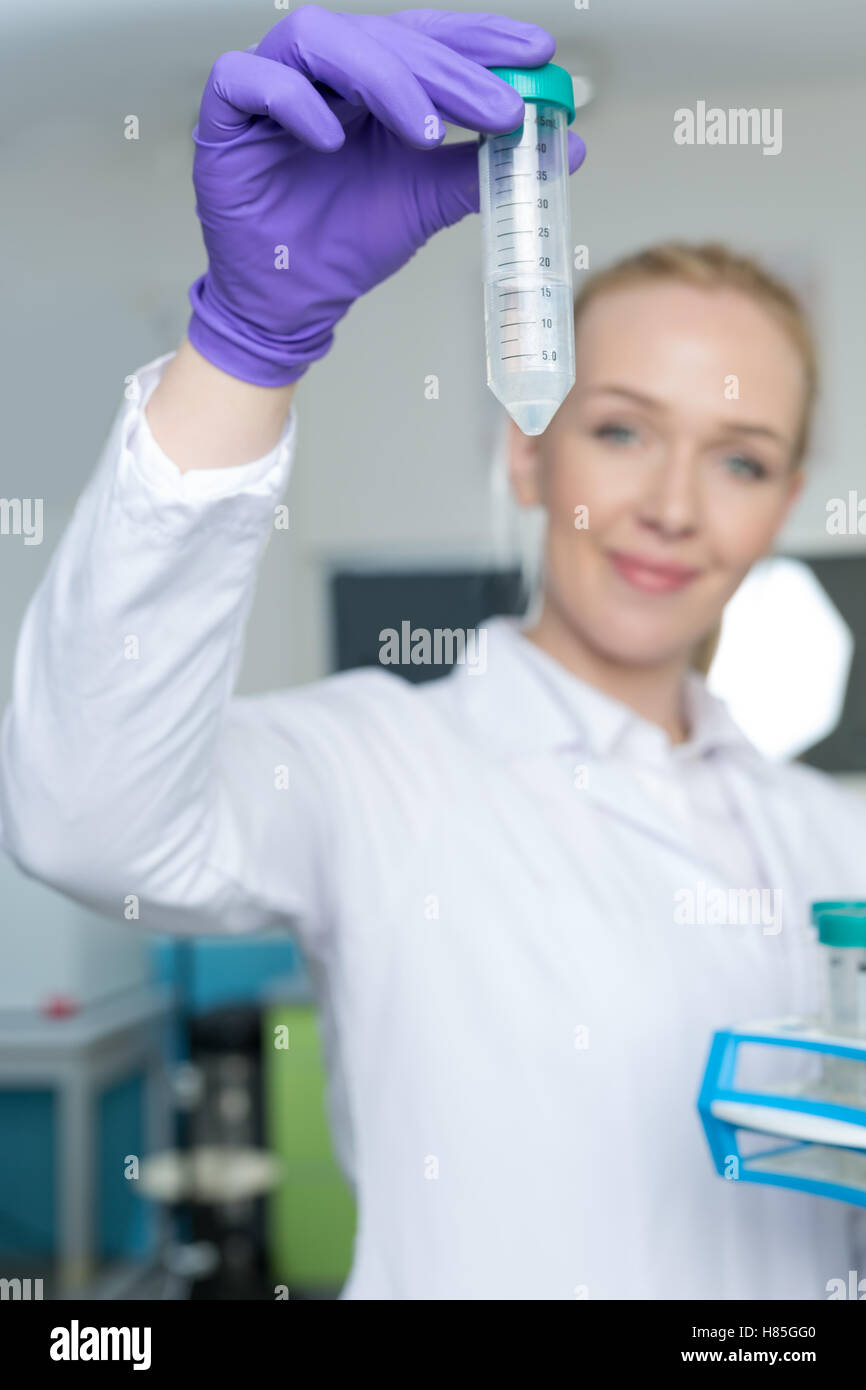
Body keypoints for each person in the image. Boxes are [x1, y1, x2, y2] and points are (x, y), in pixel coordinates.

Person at [1, 7, 864, 1300]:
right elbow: (87, 819)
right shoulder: (374, 763)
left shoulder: (828, 835)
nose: (674, 504)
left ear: (783, 494)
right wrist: (246, 342)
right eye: (621, 430)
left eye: (738, 458)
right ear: (524, 443)